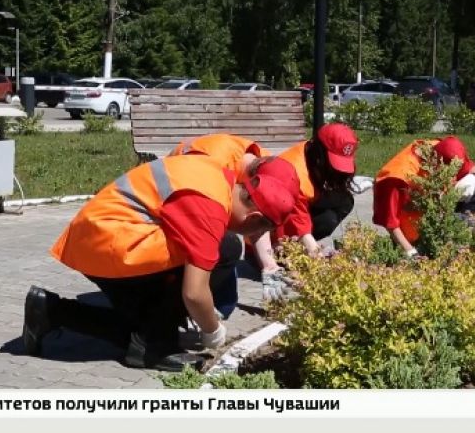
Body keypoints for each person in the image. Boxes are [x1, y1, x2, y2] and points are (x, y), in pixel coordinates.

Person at [21, 155, 297, 372]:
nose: (254, 237)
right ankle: (152, 346)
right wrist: (213, 331)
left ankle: (50, 310)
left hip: (101, 236)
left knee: (144, 327)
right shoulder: (210, 209)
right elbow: (194, 292)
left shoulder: (219, 178)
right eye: (259, 231)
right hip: (110, 243)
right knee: (219, 251)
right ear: (253, 218)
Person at [166, 133, 300, 317]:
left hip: (195, 208)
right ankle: (180, 309)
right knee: (226, 247)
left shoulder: (265, 166)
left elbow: (256, 220)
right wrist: (200, 305)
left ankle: (211, 308)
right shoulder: (214, 163)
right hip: (169, 212)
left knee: (225, 304)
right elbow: (198, 219)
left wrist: (269, 265)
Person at [252, 123, 359, 300]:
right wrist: (322, 265)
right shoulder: (292, 172)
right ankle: (282, 253)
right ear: (320, 153)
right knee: (320, 227)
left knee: (344, 201)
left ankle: (297, 250)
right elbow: (300, 225)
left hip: (294, 214)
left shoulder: (309, 153)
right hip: (262, 239)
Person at [373, 136, 475, 257]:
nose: (451, 176)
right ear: (434, 161)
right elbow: (389, 221)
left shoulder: (446, 149)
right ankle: (423, 245)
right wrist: (410, 252)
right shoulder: (397, 178)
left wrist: (473, 177)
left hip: (436, 211)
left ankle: (457, 237)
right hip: (413, 229)